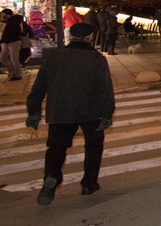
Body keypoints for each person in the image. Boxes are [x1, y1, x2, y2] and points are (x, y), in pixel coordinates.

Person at [26, 22, 115, 205]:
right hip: (90, 110)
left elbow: (39, 87)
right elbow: (105, 89)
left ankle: (52, 177)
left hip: (60, 109)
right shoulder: (96, 59)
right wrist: (107, 114)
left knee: (57, 148)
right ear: (90, 38)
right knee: (93, 145)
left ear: (70, 36)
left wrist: (33, 111)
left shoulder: (54, 57)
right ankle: (89, 183)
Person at [1, 12, 28, 81]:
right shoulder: (9, 22)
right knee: (3, 58)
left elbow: (13, 32)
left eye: (2, 13)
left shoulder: (13, 22)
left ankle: (17, 74)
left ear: (7, 14)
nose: (1, 15)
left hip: (13, 41)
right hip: (8, 41)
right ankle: (13, 71)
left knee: (14, 58)